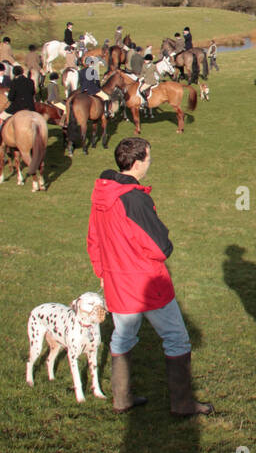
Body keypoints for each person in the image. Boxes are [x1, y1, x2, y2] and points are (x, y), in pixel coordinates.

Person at [88, 137, 212, 416]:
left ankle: (121, 398)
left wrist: (102, 273)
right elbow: (159, 248)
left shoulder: (102, 194)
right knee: (177, 337)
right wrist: (165, 241)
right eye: (148, 158)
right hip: (145, 283)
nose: (150, 162)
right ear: (136, 162)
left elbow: (93, 239)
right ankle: (182, 403)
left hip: (116, 283)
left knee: (122, 337)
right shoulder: (134, 200)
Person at [0, 65, 36, 143]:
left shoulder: (14, 82)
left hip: (17, 107)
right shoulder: (30, 81)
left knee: (1, 117)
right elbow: (33, 93)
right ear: (22, 72)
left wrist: (9, 95)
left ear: (14, 74)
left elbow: (11, 98)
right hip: (30, 107)